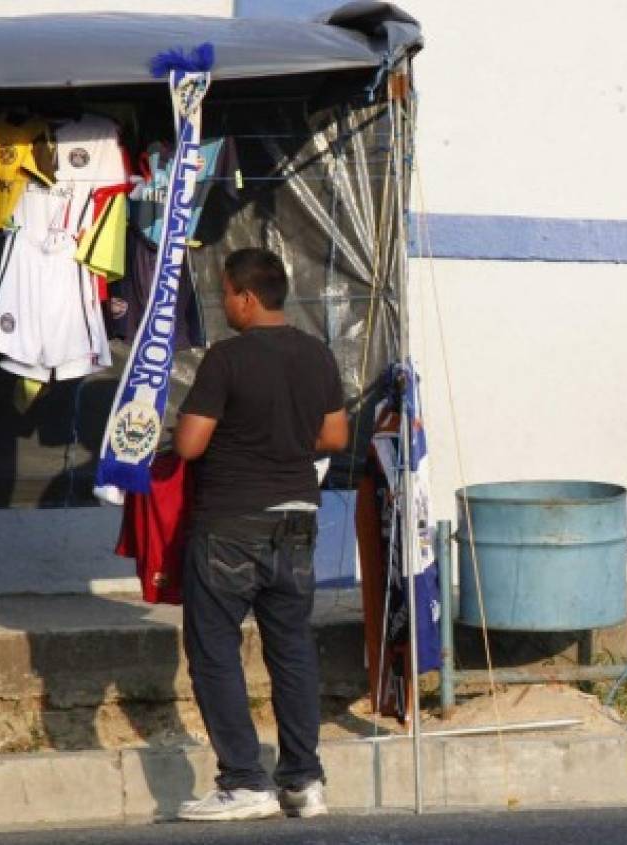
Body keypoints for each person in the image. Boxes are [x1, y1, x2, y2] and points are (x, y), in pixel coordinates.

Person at [173, 247, 348, 821]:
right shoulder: (318, 355)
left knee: (215, 650)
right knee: (293, 651)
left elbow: (190, 445)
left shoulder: (226, 360)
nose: (224, 304)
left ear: (247, 297)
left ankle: (245, 780)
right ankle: (302, 781)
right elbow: (334, 437)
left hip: (230, 523)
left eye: (225, 293)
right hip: (297, 520)